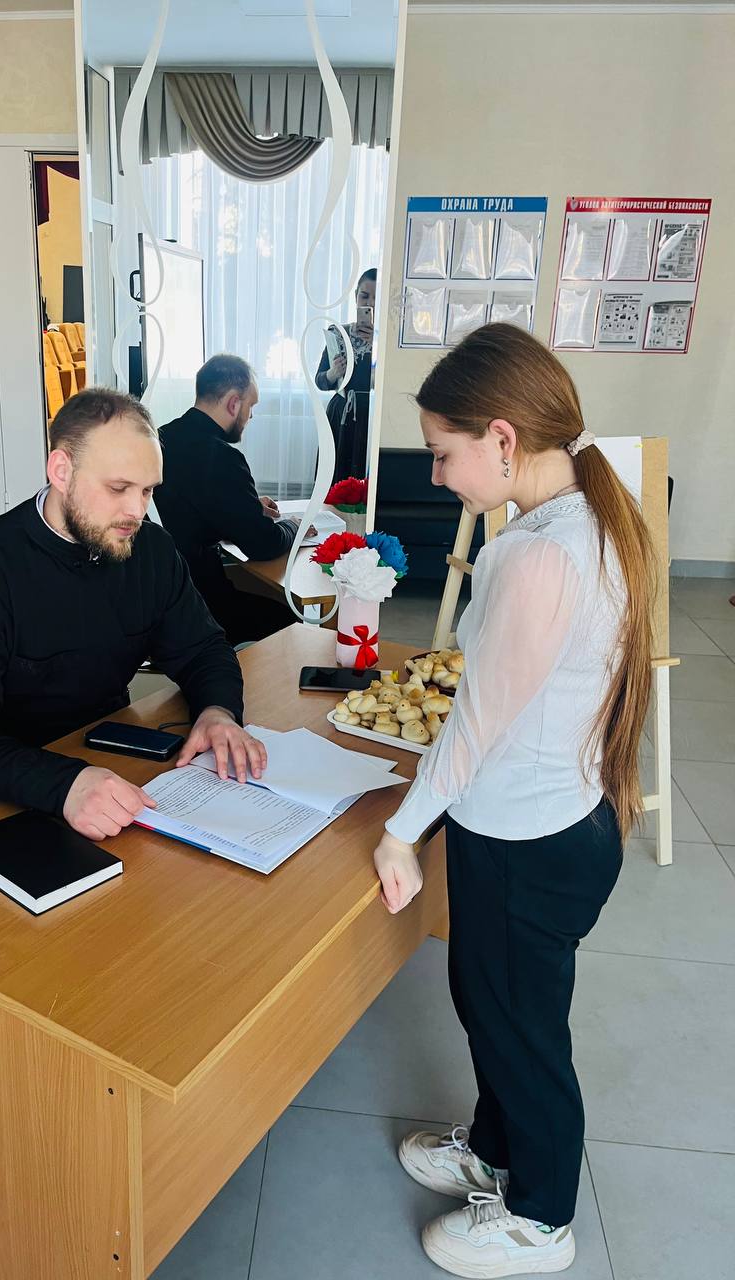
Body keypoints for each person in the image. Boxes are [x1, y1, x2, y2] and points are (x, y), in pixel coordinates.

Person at [372, 323, 655, 1277]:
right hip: (559, 822)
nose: (437, 476)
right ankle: (494, 1150)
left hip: (527, 839)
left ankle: (540, 1216)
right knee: (497, 1005)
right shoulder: (585, 520)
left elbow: (476, 724)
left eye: (441, 453)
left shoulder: (535, 556)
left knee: (518, 1027)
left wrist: (401, 832)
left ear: (502, 438)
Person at [0, 387, 267, 842]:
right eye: (118, 488)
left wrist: (218, 711)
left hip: (98, 762)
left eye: (148, 490)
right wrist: (65, 784)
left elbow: (203, 648)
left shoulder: (151, 550)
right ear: (61, 471)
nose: (136, 511)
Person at [154, 353, 300, 646]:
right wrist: (294, 525)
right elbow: (264, 545)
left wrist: (249, 506)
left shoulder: (161, 437)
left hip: (162, 596)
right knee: (292, 622)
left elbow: (192, 509)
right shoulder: (222, 457)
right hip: (202, 605)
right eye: (250, 406)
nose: (250, 416)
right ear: (234, 403)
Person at [315, 267, 376, 483]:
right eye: (364, 296)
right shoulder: (338, 333)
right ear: (356, 297)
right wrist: (333, 373)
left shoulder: (387, 341)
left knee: (363, 482)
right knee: (335, 479)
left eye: (376, 298)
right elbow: (319, 380)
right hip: (340, 414)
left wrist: (376, 345)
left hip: (371, 415)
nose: (370, 303)